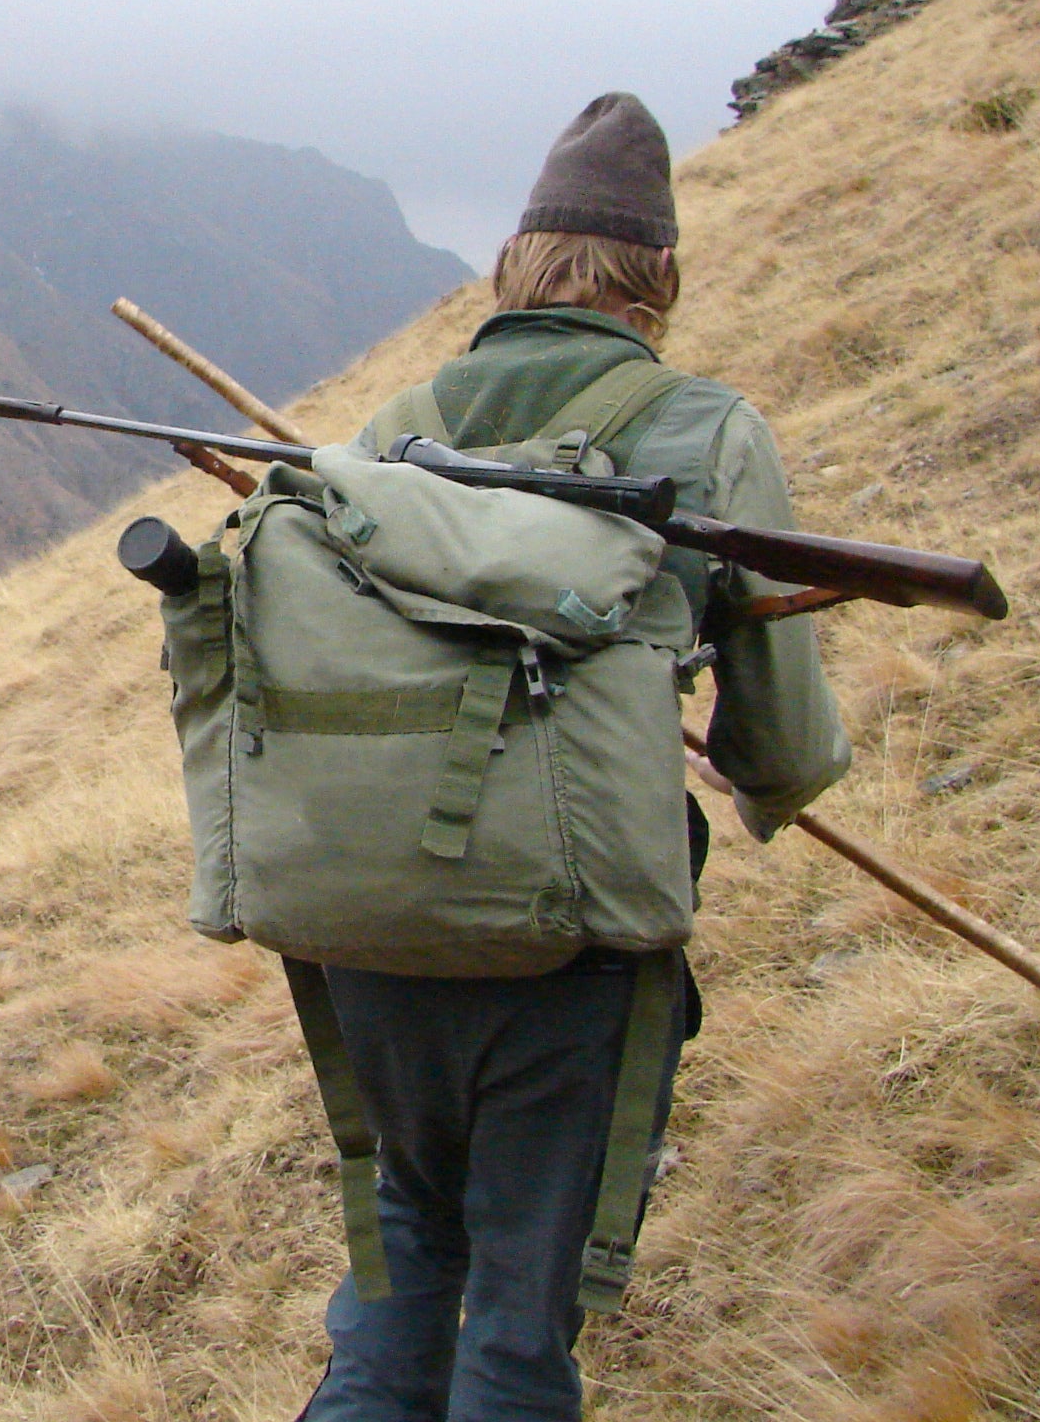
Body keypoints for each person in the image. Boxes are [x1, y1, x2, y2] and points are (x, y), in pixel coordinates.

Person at [296, 92, 851, 1422]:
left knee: (404, 1242)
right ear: (662, 278)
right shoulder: (704, 433)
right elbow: (775, 731)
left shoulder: (394, 426)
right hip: (568, 948)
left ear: (515, 264)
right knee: (519, 1323)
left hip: (368, 927)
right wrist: (769, 783)